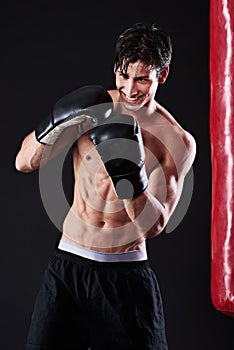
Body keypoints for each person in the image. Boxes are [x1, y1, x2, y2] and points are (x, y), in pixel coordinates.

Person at [15, 23, 196, 350]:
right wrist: (57, 123)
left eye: (142, 78)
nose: (130, 89)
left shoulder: (177, 141)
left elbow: (155, 225)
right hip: (68, 268)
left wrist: (127, 171)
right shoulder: (93, 109)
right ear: (115, 70)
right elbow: (24, 162)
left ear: (162, 74)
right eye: (123, 76)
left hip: (126, 278)